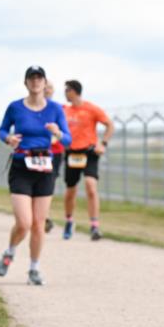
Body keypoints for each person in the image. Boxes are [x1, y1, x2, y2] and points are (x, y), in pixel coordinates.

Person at [0, 65, 71, 285]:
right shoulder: (15, 107)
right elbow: (2, 130)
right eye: (32, 78)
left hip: (44, 168)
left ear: (45, 82)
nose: (36, 82)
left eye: (39, 78)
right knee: (24, 223)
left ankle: (34, 269)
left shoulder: (55, 109)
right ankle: (9, 252)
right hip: (21, 167)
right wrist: (8, 139)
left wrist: (57, 133)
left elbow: (68, 139)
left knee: (38, 224)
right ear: (26, 83)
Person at [62, 79, 113, 240]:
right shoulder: (65, 111)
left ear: (74, 91)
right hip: (72, 153)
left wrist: (103, 143)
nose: (65, 94)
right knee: (71, 190)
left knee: (91, 186)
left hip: (89, 152)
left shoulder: (91, 108)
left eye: (67, 90)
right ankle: (69, 220)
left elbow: (109, 125)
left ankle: (94, 226)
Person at [43, 80, 66, 234]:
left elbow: (66, 130)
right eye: (45, 87)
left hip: (56, 152)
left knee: (50, 182)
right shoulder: (34, 107)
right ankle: (43, 215)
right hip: (39, 152)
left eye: (50, 87)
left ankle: (45, 215)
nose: (47, 90)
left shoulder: (59, 108)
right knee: (41, 181)